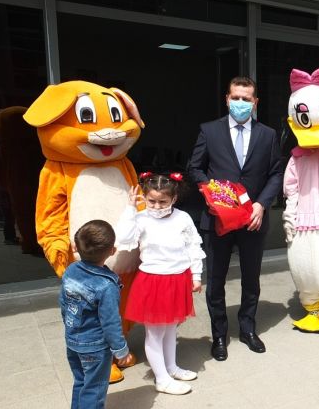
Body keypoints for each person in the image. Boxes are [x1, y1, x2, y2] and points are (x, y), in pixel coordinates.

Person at [188, 76, 283, 361]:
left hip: (253, 219)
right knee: (216, 279)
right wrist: (213, 193)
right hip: (218, 219)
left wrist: (262, 204)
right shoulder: (209, 130)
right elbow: (195, 168)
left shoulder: (268, 134)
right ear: (227, 99)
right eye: (236, 98)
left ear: (255, 102)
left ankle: (247, 328)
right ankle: (219, 335)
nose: (241, 103)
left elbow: (275, 173)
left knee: (251, 278)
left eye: (247, 99)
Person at [115, 173, 204, 395]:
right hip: (153, 280)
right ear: (144, 197)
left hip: (178, 278)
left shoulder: (183, 218)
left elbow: (193, 246)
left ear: (174, 198)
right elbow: (123, 238)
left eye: (162, 201)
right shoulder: (141, 218)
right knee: (155, 333)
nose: (156, 206)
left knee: (171, 328)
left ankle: (171, 367)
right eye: (151, 201)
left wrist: (196, 275)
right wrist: (130, 209)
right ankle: (162, 379)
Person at [60, 220, 131, 409]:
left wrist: (70, 328)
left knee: (81, 381)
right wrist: (121, 349)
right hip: (95, 346)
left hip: (72, 341)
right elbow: (111, 322)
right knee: (94, 389)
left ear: (76, 247)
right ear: (112, 251)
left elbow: (64, 304)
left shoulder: (71, 270)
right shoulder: (106, 285)